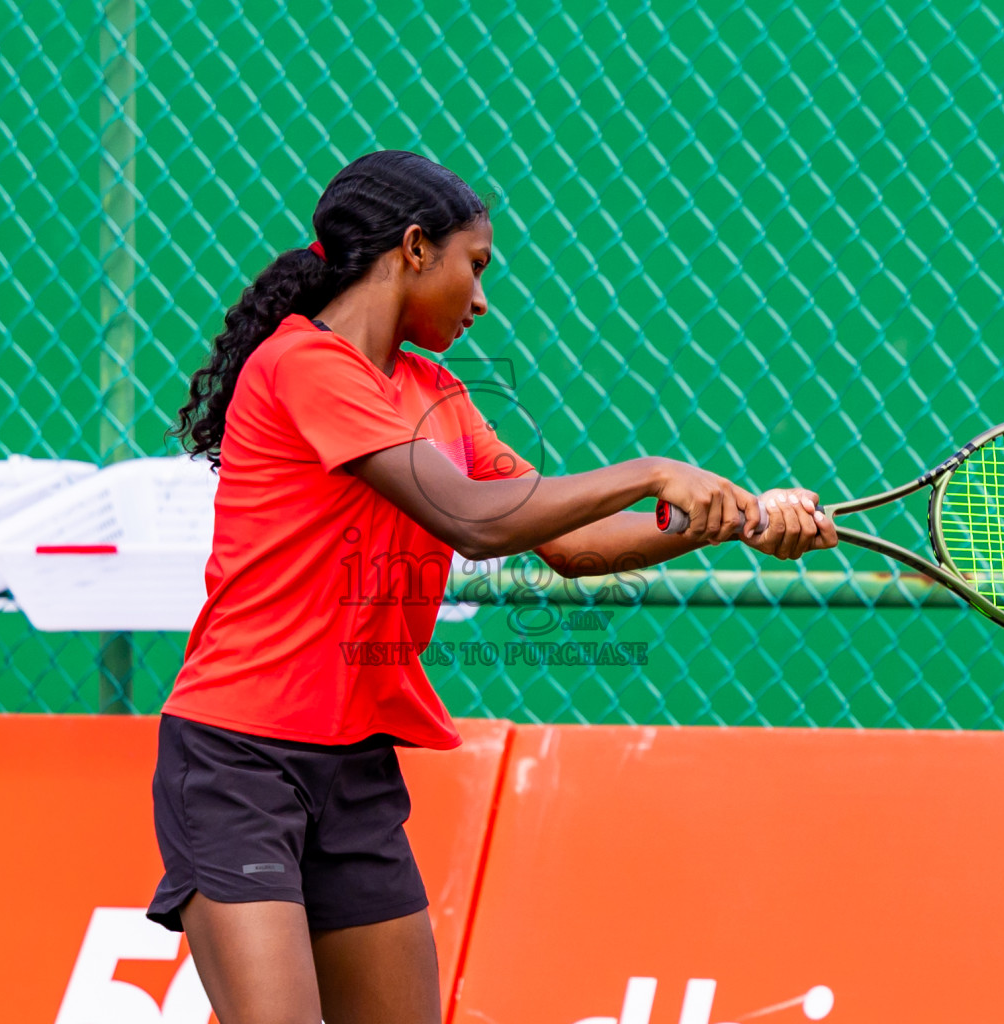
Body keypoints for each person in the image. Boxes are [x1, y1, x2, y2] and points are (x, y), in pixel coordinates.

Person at [150, 149, 836, 1024]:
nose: (482, 300)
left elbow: (572, 543)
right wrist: (654, 471)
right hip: (238, 758)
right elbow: (470, 517)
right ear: (412, 249)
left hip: (353, 765)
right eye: (475, 266)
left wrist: (729, 521)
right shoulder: (302, 366)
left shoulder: (435, 393)